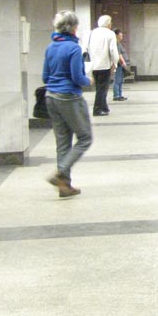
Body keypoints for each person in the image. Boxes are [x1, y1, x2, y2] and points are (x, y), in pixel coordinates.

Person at [42, 10, 93, 198]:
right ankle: (60, 172)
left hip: (51, 97)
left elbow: (44, 76)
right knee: (85, 138)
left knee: (63, 143)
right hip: (69, 98)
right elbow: (77, 78)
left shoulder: (50, 47)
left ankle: (65, 186)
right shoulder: (73, 48)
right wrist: (89, 81)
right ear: (72, 27)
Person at [86, 14, 121, 117]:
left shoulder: (91, 33)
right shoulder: (110, 34)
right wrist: (115, 63)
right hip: (104, 65)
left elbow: (85, 48)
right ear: (108, 24)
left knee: (99, 88)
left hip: (93, 65)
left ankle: (104, 107)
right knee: (102, 89)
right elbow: (113, 51)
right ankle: (97, 110)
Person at [112, 28, 130, 101]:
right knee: (117, 80)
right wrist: (123, 63)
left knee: (120, 80)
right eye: (120, 35)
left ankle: (119, 94)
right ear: (116, 35)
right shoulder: (115, 44)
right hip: (119, 64)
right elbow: (119, 54)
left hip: (121, 65)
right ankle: (116, 95)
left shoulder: (118, 43)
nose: (121, 37)